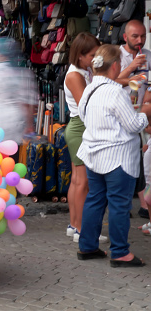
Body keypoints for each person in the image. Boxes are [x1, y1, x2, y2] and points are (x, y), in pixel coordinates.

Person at [76, 44, 151, 267]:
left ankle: (87, 246)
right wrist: (145, 113)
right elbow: (132, 125)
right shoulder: (115, 92)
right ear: (116, 65)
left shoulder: (89, 88)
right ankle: (120, 252)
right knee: (119, 204)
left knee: (95, 200)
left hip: (93, 153)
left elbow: (82, 114)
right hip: (117, 157)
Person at [63, 33, 107, 243]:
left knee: (78, 180)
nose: (95, 59)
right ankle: (81, 229)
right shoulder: (75, 75)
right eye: (92, 55)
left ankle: (74, 225)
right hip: (80, 127)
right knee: (83, 182)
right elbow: (84, 106)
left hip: (78, 127)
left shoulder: (82, 71)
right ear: (80, 55)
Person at [116, 20, 151, 221]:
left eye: (143, 36)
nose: (140, 40)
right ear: (125, 37)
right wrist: (131, 67)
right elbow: (109, 82)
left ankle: (144, 205)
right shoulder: (115, 56)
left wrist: (149, 95)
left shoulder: (148, 55)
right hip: (120, 115)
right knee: (123, 161)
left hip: (142, 114)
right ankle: (122, 204)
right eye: (135, 36)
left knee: (141, 159)